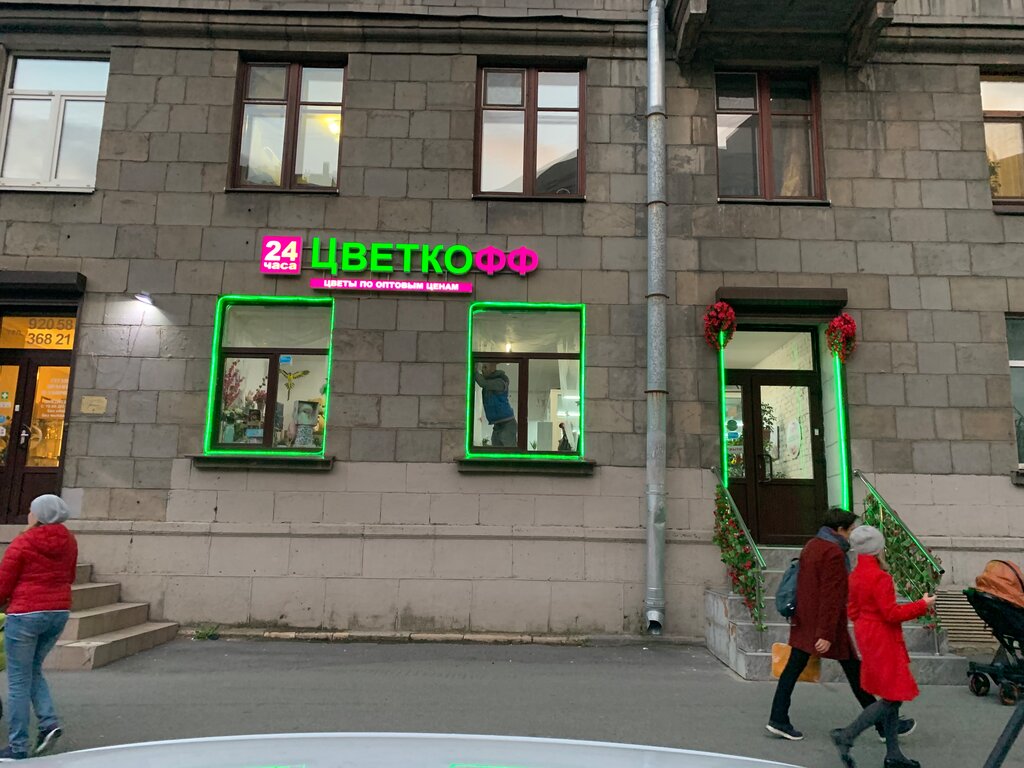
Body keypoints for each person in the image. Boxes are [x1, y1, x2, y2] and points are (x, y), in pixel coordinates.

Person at [766, 507, 915, 742]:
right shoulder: (834, 552)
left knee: (797, 670)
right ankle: (884, 725)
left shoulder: (812, 545)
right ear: (840, 529)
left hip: (806, 619)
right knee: (854, 672)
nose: (852, 534)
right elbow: (831, 595)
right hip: (826, 625)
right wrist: (825, 634)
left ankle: (778, 718)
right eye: (851, 529)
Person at [831, 525, 934, 768]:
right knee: (893, 698)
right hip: (883, 638)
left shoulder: (855, 575)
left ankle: (893, 754)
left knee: (890, 694)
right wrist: (922, 605)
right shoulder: (880, 577)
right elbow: (891, 613)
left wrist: (866, 624)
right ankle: (848, 735)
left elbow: (853, 610)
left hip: (867, 635)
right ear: (878, 549)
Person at [0, 495, 78, 761]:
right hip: (58, 612)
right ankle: (48, 723)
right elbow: (70, 576)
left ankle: (18, 746)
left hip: (25, 614)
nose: (29, 514)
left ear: (39, 515)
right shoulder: (69, 540)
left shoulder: (23, 542)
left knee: (18, 681)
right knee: (33, 670)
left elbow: (4, 582)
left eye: (31, 510)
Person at [474, 362, 517, 447]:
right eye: (482, 367)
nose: (482, 370)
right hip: (498, 424)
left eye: (485, 367)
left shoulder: (499, 382)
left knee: (508, 451)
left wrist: (473, 370)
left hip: (507, 423)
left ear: (492, 369)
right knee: (496, 449)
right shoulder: (490, 381)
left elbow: (483, 383)